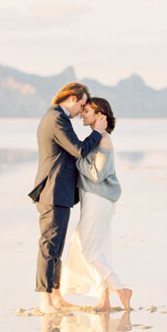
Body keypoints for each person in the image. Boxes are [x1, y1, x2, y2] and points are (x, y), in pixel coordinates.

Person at [29, 82, 107, 312]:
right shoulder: (56, 119)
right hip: (52, 191)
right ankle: (45, 300)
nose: (80, 112)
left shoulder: (55, 117)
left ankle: (55, 295)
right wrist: (98, 132)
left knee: (57, 246)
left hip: (59, 191)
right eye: (81, 105)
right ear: (72, 98)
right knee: (49, 246)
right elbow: (79, 149)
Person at [60, 97, 132, 311]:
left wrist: (76, 158)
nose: (83, 113)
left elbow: (97, 174)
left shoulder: (103, 140)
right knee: (97, 248)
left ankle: (121, 290)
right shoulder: (98, 138)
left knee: (88, 249)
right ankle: (105, 299)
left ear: (100, 115)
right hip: (96, 199)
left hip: (98, 199)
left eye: (88, 111)